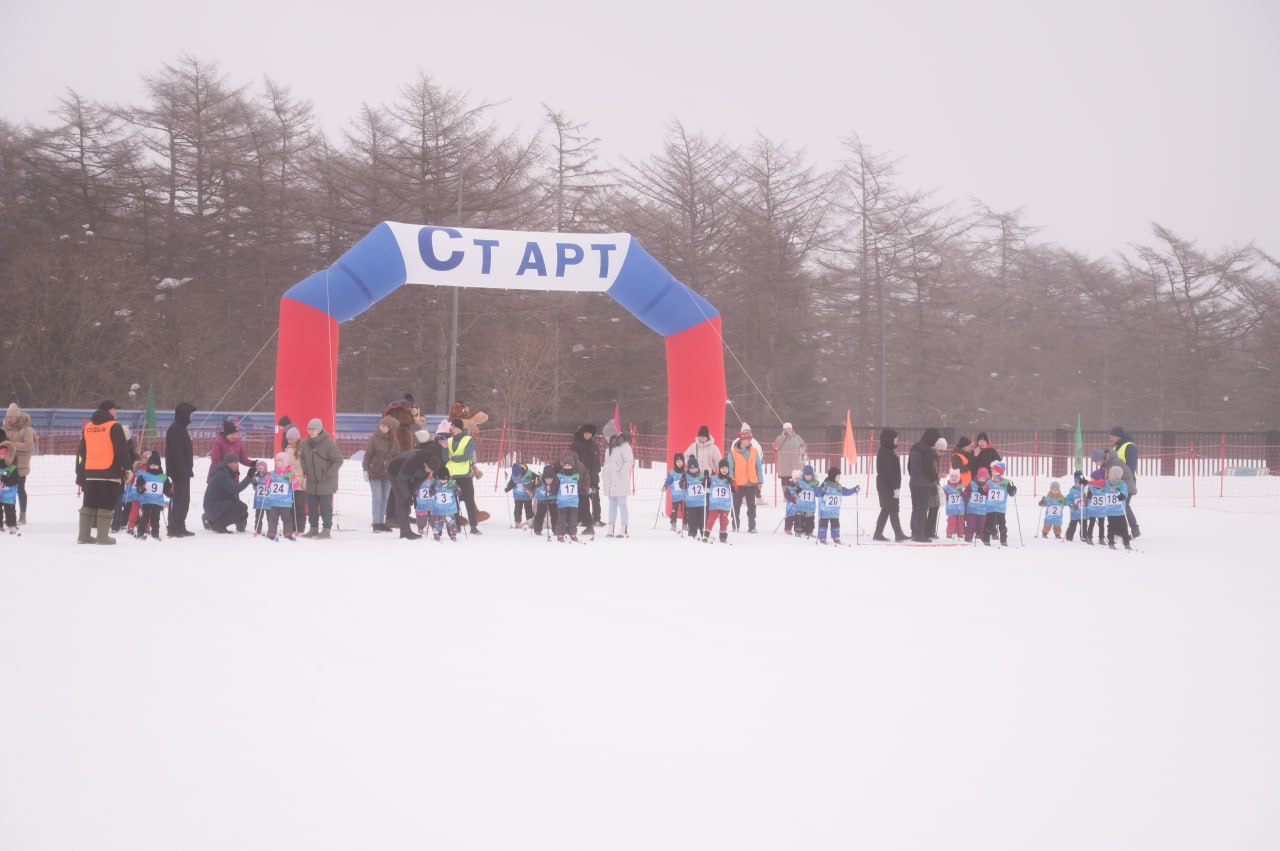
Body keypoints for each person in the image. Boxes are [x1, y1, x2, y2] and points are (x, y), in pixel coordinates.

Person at [75, 400, 132, 545]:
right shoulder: (114, 426)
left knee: (89, 503)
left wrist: (82, 471)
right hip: (109, 471)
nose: (116, 412)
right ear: (109, 411)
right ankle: (102, 537)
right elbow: (121, 450)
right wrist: (128, 468)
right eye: (114, 410)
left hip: (90, 472)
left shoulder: (88, 427)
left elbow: (82, 450)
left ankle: (84, 536)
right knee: (106, 503)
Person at [299, 418, 343, 539]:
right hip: (312, 480)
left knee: (325, 507)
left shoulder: (328, 443)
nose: (311, 431)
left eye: (313, 429)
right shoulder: (305, 443)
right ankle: (313, 528)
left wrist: (328, 473)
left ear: (319, 430)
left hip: (326, 481)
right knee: (312, 506)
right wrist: (306, 470)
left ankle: (326, 530)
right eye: (309, 429)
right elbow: (302, 457)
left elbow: (338, 460)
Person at [389, 434, 438, 540]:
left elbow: (417, 483)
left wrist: (411, 494)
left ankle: (407, 529)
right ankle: (405, 532)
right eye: (428, 468)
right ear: (425, 464)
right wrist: (407, 497)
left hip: (409, 473)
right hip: (395, 470)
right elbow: (401, 480)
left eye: (431, 471)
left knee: (407, 497)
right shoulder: (414, 462)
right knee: (401, 500)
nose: (428, 471)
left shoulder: (429, 467)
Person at [447, 418, 484, 535]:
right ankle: (456, 525)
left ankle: (473, 526)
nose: (451, 429)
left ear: (458, 427)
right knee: (454, 502)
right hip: (452, 475)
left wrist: (453, 458)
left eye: (453, 427)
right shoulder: (449, 440)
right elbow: (445, 457)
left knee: (469, 501)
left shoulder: (468, 439)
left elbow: (466, 456)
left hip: (465, 475)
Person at [164, 402, 197, 537]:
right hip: (179, 473)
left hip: (184, 472)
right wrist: (182, 470)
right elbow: (176, 453)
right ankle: (173, 526)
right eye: (191, 414)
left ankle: (180, 525)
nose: (192, 417)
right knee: (178, 500)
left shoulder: (181, 428)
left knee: (185, 500)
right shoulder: (175, 429)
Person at [202, 451, 255, 533]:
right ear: (228, 464)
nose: (237, 465)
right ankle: (218, 525)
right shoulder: (222, 474)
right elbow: (235, 489)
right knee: (241, 508)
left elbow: (232, 492)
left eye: (238, 462)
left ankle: (240, 528)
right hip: (214, 505)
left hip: (217, 504)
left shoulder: (226, 472)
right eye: (235, 463)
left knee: (242, 510)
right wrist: (248, 477)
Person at [907, 428, 944, 542]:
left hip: (913, 482)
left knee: (916, 508)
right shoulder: (927, 449)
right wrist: (934, 478)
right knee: (922, 509)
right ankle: (919, 534)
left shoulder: (915, 447)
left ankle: (914, 531)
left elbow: (909, 466)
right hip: (924, 484)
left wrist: (914, 476)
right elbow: (928, 468)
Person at [363, 416, 398, 532]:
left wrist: (395, 468)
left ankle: (382, 523)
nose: (382, 428)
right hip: (375, 471)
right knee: (377, 497)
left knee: (385, 497)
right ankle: (376, 522)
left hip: (388, 473)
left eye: (385, 426)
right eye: (381, 425)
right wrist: (365, 469)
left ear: (389, 428)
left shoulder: (393, 440)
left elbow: (397, 456)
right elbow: (368, 454)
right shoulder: (374, 438)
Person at [2, 403, 35, 524]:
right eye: (8, 417)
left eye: (11, 417)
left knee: (20, 489)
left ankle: (23, 515)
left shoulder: (26, 429)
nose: (9, 419)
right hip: (7, 465)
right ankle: (11, 516)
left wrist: (11, 445)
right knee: (8, 491)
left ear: (17, 417)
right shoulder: (4, 428)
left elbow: (28, 446)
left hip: (20, 465)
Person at [727, 423, 763, 533]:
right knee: (736, 506)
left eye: (750, 439)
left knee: (751, 506)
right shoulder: (732, 453)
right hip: (738, 484)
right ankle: (735, 525)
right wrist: (731, 481)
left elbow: (759, 467)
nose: (749, 441)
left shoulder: (754, 451)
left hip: (751, 483)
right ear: (742, 440)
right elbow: (730, 469)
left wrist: (760, 481)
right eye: (747, 439)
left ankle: (752, 526)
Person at [873, 429, 907, 542]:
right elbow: (889, 473)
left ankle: (878, 533)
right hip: (886, 486)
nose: (898, 440)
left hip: (887, 485)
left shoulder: (887, 451)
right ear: (889, 439)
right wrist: (894, 488)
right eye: (895, 438)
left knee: (886, 509)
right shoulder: (885, 452)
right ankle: (898, 533)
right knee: (892, 508)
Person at [1108, 426, 1141, 538]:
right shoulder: (1115, 448)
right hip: (1116, 481)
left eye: (1112, 435)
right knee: (1120, 505)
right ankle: (1119, 530)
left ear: (1118, 436)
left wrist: (1121, 480)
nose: (1110, 437)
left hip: (1127, 482)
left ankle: (1135, 530)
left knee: (1124, 505)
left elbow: (1131, 467)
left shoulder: (1130, 447)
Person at [570, 424, 603, 531]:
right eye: (586, 433)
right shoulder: (576, 444)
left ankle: (597, 518)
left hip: (593, 475)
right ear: (583, 433)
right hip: (581, 477)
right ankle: (581, 518)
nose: (588, 435)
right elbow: (572, 460)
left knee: (595, 497)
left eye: (590, 434)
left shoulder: (594, 445)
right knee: (582, 498)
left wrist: (597, 468)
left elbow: (597, 459)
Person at [602, 431, 634, 538]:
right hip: (611, 480)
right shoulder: (608, 448)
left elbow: (629, 461)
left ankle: (624, 528)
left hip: (621, 480)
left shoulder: (624, 446)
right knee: (612, 504)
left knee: (622, 503)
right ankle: (611, 528)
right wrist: (605, 476)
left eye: (606, 435)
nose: (605, 437)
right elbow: (607, 464)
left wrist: (620, 472)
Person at [133, 451, 171, 540]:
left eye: (156, 465)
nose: (154, 467)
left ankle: (155, 534)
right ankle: (140, 532)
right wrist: (140, 488)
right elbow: (139, 483)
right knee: (145, 517)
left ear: (159, 465)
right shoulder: (144, 474)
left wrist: (170, 493)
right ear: (149, 464)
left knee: (155, 518)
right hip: (147, 500)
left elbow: (166, 487)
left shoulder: (163, 476)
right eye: (152, 465)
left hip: (157, 502)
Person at [816, 466, 859, 545]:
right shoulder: (825, 485)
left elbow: (846, 491)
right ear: (833, 476)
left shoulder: (839, 487)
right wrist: (822, 491)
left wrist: (854, 490)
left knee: (835, 525)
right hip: (824, 511)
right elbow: (817, 492)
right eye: (838, 476)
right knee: (823, 525)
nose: (839, 478)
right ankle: (822, 538)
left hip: (834, 512)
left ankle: (836, 537)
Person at [264, 452, 298, 541]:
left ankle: (288, 534)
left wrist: (293, 481)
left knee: (286, 519)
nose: (277, 462)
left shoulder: (289, 474)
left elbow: (294, 487)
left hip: (285, 502)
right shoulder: (273, 474)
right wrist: (267, 479)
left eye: (280, 460)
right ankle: (271, 533)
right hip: (274, 501)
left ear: (285, 462)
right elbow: (267, 485)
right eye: (276, 460)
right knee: (273, 519)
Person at [983, 460, 1017, 546]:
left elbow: (1011, 493)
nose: (991, 471)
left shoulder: (1006, 482)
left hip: (1000, 508)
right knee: (988, 523)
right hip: (990, 508)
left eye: (994, 470)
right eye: (992, 470)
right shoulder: (989, 482)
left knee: (1002, 524)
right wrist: (982, 490)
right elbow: (985, 492)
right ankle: (986, 539)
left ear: (999, 471)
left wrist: (1013, 490)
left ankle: (1003, 540)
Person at [283, 427, 307, 534]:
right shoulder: (287, 450)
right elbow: (285, 466)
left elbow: (307, 467)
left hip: (301, 483)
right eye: (288, 439)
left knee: (299, 507)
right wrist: (288, 477)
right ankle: (292, 526)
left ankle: (300, 527)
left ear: (297, 439)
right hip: (290, 481)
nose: (290, 441)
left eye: (292, 439)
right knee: (290, 506)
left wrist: (306, 479)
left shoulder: (303, 450)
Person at [426, 468, 461, 542]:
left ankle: (453, 534)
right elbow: (428, 488)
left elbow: (459, 491)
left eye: (445, 479)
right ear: (438, 478)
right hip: (438, 508)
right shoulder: (434, 483)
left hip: (449, 508)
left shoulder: (451, 483)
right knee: (438, 522)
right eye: (441, 479)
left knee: (451, 522)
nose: (443, 481)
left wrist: (457, 491)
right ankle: (436, 534)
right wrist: (431, 490)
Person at [704, 459, 734, 543]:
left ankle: (723, 536)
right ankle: (706, 535)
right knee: (710, 520)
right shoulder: (713, 478)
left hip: (725, 505)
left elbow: (736, 489)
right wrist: (705, 477)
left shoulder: (729, 480)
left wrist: (732, 483)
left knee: (724, 521)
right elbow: (704, 483)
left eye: (726, 468)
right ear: (719, 469)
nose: (724, 470)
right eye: (722, 468)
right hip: (714, 504)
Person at [1102, 465, 1132, 550]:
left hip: (1119, 511)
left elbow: (1124, 492)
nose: (1109, 475)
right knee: (1111, 526)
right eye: (1109, 473)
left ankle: (1126, 543)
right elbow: (1100, 488)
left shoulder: (1122, 484)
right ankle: (1111, 542)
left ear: (1116, 475)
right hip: (1110, 511)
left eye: (1110, 473)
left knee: (1124, 526)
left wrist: (1122, 495)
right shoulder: (1107, 483)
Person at [554, 455, 582, 543]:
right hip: (562, 502)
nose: (567, 467)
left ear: (572, 466)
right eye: (565, 465)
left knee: (573, 518)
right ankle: (560, 534)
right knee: (562, 518)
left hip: (573, 502)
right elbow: (555, 486)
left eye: (569, 465)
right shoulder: (559, 476)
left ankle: (572, 533)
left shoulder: (576, 476)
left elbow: (580, 486)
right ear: (563, 466)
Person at [773, 422, 807, 491]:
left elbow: (803, 445)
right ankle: (786, 495)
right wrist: (783, 437)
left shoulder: (797, 437)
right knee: (785, 480)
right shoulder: (780, 438)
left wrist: (801, 451)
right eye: (787, 428)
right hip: (784, 463)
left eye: (790, 428)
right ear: (784, 429)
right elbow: (776, 447)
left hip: (796, 463)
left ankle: (796, 493)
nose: (789, 430)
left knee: (797, 478)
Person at [504, 462, 538, 529]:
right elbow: (511, 483)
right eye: (516, 475)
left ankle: (530, 522)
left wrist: (532, 486)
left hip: (527, 496)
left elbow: (537, 478)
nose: (518, 477)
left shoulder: (529, 473)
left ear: (521, 471)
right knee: (517, 509)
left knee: (528, 509)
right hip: (518, 496)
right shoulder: (514, 476)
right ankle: (517, 522)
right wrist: (508, 488)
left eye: (519, 475)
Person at [659, 453, 687, 533]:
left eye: (681, 461)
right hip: (675, 496)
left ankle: (685, 524)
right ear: (675, 462)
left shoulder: (685, 472)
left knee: (685, 511)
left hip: (684, 496)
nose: (680, 463)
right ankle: (673, 524)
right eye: (678, 461)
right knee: (674, 510)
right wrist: (665, 486)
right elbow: (668, 481)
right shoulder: (672, 473)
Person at [681, 456, 707, 540]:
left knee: (702, 518)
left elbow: (708, 483)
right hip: (691, 503)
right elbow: (681, 486)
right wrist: (682, 480)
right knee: (692, 519)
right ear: (688, 468)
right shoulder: (686, 476)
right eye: (691, 468)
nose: (693, 469)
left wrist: (707, 477)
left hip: (701, 502)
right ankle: (692, 532)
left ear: (698, 467)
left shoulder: (701, 475)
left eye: (695, 467)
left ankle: (703, 532)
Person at [964, 467, 990, 545]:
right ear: (977, 477)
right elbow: (966, 492)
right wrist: (963, 495)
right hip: (972, 510)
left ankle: (983, 538)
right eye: (980, 477)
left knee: (982, 525)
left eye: (983, 478)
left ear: (986, 478)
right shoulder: (972, 484)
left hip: (983, 511)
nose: (982, 479)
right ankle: (968, 537)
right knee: (971, 524)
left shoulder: (988, 485)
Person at [793, 464, 820, 538]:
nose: (808, 477)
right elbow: (795, 490)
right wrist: (797, 490)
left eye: (810, 475)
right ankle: (798, 531)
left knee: (810, 520)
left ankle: (809, 531)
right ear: (804, 475)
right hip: (800, 505)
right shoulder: (800, 482)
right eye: (806, 475)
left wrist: (818, 493)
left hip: (810, 506)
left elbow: (817, 492)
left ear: (812, 475)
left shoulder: (814, 484)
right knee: (799, 519)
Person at [532, 464, 559, 537]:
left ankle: (556, 530)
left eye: (550, 479)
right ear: (544, 478)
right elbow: (533, 487)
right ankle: (537, 530)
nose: (549, 480)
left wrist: (551, 488)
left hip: (553, 500)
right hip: (542, 500)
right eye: (547, 479)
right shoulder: (539, 480)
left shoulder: (556, 480)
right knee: (540, 514)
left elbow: (557, 489)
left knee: (555, 515)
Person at [0, 441, 20, 534]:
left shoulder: (12, 467)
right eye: (0, 454)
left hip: (8, 494)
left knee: (10, 510)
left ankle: (12, 525)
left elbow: (16, 480)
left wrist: (6, 480)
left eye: (4, 454)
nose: (2, 456)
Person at [942, 470, 967, 539]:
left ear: (958, 478)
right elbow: (944, 496)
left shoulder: (961, 487)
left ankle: (960, 533)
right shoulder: (947, 487)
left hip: (960, 508)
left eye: (956, 477)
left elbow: (965, 496)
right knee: (951, 521)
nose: (954, 478)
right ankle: (949, 533)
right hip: (951, 509)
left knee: (960, 521)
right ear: (949, 477)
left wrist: (962, 493)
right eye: (952, 476)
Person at [1065, 472, 1086, 542]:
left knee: (1084, 525)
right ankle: (1069, 536)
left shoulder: (1085, 491)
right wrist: (1071, 505)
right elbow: (1068, 499)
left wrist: (1086, 501)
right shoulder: (1072, 491)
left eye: (1080, 483)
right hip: (1075, 512)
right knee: (1072, 525)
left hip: (1083, 513)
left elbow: (1088, 500)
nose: (1078, 485)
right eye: (1076, 483)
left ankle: (1084, 536)